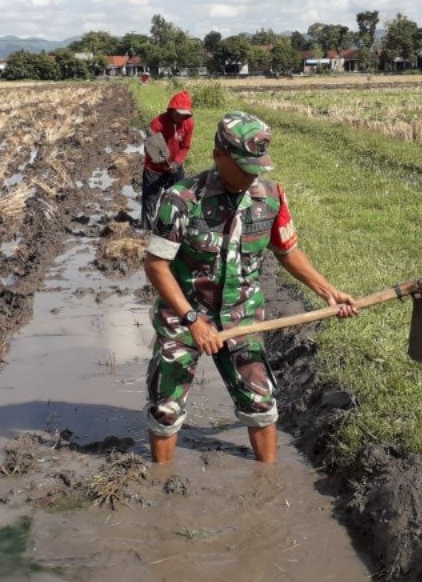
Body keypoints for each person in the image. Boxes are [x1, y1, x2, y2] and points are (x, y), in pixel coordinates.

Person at [143, 111, 358, 464]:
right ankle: (160, 481)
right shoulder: (181, 200)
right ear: (218, 156)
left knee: (260, 403)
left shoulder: (271, 197)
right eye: (244, 166)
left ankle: (267, 482)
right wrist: (194, 320)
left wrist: (328, 291)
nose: (253, 175)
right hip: (183, 317)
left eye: (258, 166)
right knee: (166, 409)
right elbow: (156, 265)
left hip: (242, 316)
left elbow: (287, 251)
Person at [141, 90, 194, 229]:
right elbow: (150, 147)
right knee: (150, 200)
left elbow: (185, 146)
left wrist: (177, 163)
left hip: (175, 166)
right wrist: (160, 161)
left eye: (185, 115)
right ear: (171, 110)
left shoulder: (189, 124)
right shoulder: (157, 124)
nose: (182, 118)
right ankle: (146, 230)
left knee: (179, 197)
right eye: (179, 114)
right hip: (155, 168)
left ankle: (174, 226)